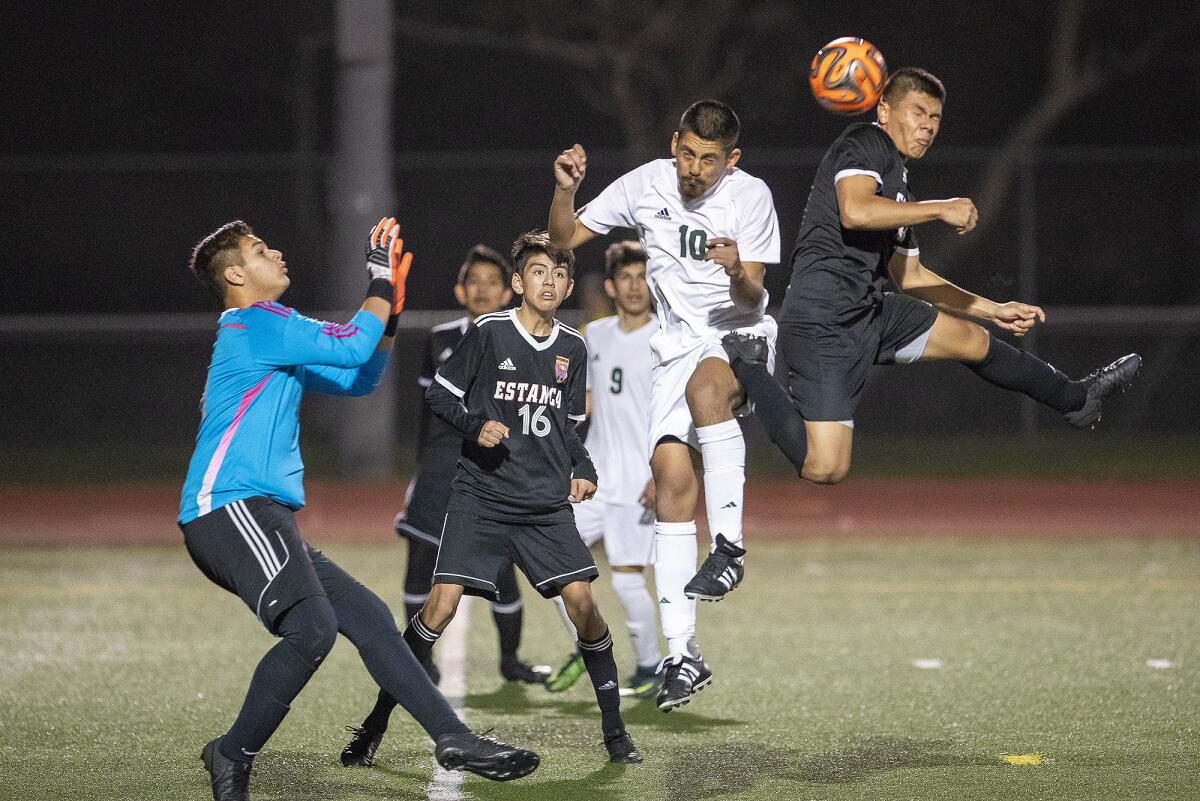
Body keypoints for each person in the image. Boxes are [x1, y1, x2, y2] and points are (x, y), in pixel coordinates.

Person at [178, 218, 539, 801]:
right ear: (237, 274)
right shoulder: (256, 322)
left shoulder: (271, 331)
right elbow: (350, 343)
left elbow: (358, 377)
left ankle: (452, 736)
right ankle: (232, 751)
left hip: (257, 512)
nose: (277, 251)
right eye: (260, 249)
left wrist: (388, 313)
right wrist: (377, 281)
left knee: (368, 617)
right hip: (229, 507)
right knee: (313, 628)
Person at [723, 67, 1140, 484]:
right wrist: (940, 207)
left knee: (972, 339)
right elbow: (856, 210)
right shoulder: (865, 141)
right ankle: (749, 365)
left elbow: (912, 277)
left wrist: (992, 310)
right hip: (822, 318)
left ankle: (1077, 398)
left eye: (935, 118)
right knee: (826, 467)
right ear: (883, 110)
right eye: (918, 112)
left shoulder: (898, 180)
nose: (927, 127)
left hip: (869, 311)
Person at [345, 230, 644, 764]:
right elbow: (440, 394)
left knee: (586, 609)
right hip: (480, 497)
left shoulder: (574, 347)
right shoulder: (489, 333)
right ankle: (373, 726)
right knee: (439, 608)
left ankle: (615, 732)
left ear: (569, 283)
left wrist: (583, 466)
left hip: (543, 507)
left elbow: (570, 426)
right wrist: (475, 424)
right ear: (517, 282)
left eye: (558, 275)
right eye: (537, 272)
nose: (548, 282)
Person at [548, 100, 782, 711]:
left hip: (737, 335)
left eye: (710, 159)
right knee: (673, 480)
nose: (695, 168)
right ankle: (683, 655)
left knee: (708, 392)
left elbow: (755, 292)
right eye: (687, 153)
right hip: (672, 348)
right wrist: (565, 191)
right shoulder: (645, 182)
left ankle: (728, 546)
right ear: (673, 142)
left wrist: (736, 270)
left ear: (731, 160)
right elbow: (563, 239)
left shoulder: (750, 196)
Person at [387, 244, 549, 690]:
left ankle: (510, 661)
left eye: (491, 282)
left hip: (497, 472)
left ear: (508, 292)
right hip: (440, 469)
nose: (481, 289)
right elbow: (427, 412)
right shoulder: (439, 339)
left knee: (502, 571)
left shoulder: (524, 343)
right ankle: (419, 659)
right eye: (473, 281)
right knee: (421, 559)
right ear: (461, 290)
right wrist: (426, 465)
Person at [544, 241, 662, 700]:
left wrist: (662, 472)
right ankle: (585, 643)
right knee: (551, 563)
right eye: (627, 278)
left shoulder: (665, 338)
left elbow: (676, 413)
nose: (636, 286)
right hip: (591, 478)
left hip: (638, 482)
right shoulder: (593, 337)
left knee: (629, 580)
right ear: (611, 286)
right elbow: (581, 405)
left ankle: (650, 666)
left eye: (643, 277)